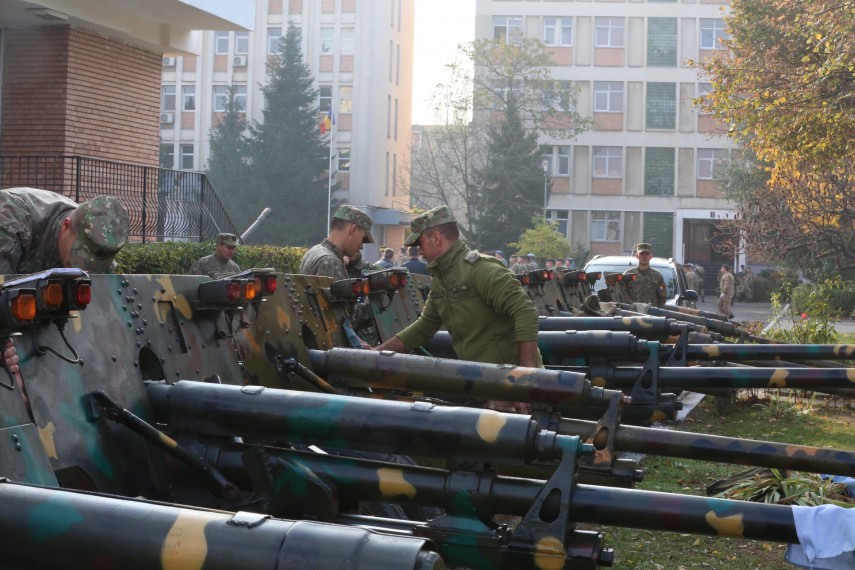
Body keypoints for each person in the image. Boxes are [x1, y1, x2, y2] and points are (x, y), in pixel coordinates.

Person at [374, 205, 542, 373]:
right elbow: (424, 327)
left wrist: (525, 377)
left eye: (420, 243)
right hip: (485, 380)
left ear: (437, 239)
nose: (420, 251)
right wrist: (377, 353)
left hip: (508, 382)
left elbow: (525, 311)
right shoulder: (442, 279)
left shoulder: (480, 269)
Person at [0, 187, 130, 275]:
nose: (75, 269)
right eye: (77, 259)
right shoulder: (12, 214)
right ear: (66, 226)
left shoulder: (89, 223)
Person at [299, 205, 375, 280]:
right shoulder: (330, 262)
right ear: (353, 230)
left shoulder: (315, 251)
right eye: (363, 239)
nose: (361, 246)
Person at [624, 243, 667, 308]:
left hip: (652, 314)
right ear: (637, 256)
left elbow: (662, 296)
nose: (644, 256)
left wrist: (657, 311)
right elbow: (622, 294)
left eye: (647, 254)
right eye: (641, 254)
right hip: (632, 314)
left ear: (651, 256)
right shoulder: (628, 275)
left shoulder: (657, 276)